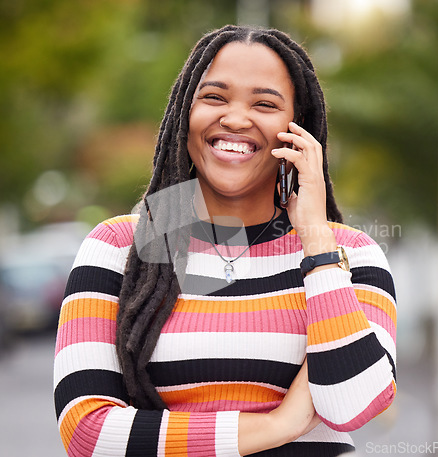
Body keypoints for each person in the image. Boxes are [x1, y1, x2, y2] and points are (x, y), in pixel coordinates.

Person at [54, 25, 397, 457]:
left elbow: (354, 406)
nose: (235, 118)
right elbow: (88, 433)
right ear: (185, 114)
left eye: (265, 104)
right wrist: (281, 423)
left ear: (298, 130)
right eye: (215, 97)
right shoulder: (118, 247)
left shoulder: (350, 252)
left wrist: (316, 242)